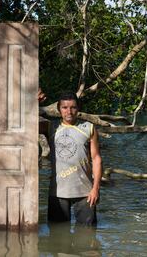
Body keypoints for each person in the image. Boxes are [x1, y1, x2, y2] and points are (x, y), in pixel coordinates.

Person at [40, 91, 102, 226]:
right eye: (65, 107)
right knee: (57, 235)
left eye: (73, 107)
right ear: (58, 109)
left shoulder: (88, 128)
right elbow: (26, 124)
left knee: (88, 236)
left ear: (78, 108)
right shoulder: (50, 127)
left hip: (85, 192)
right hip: (57, 192)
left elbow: (96, 158)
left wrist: (96, 188)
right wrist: (35, 103)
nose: (69, 111)